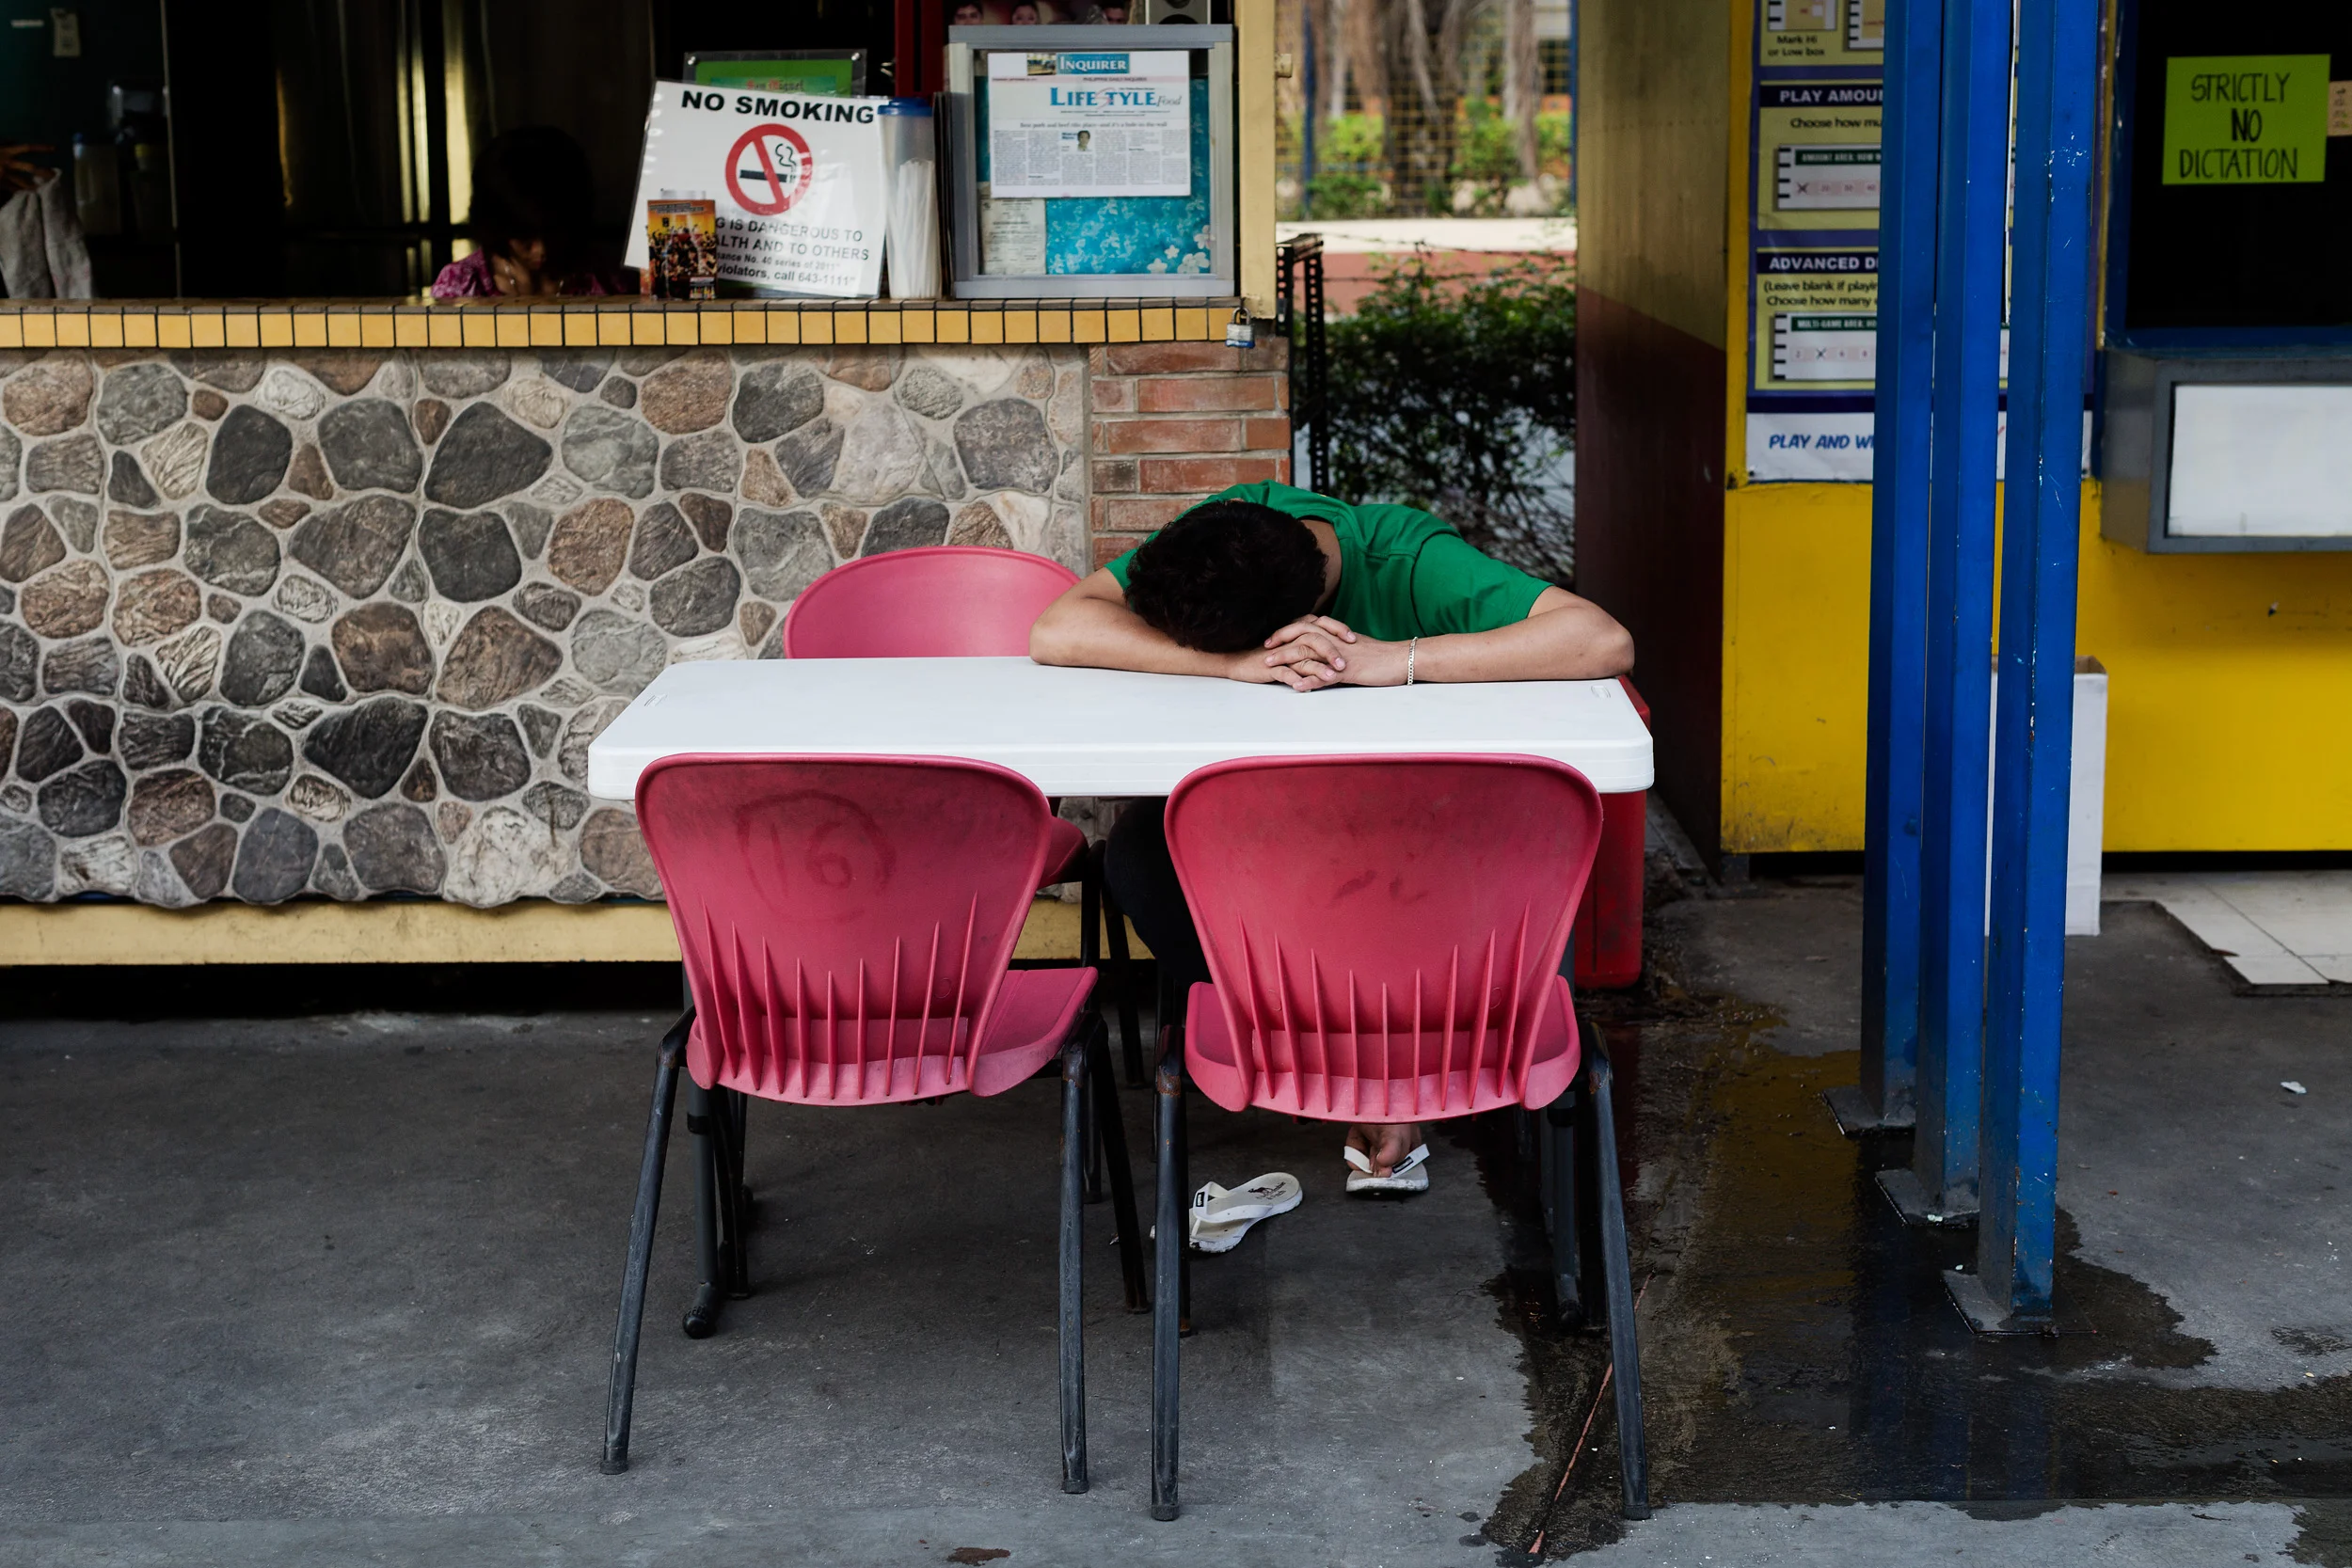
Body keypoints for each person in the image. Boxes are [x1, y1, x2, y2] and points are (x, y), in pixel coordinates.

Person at [1031, 482, 1634, 1194]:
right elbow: (1056, 630)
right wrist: (1229, 664)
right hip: (1276, 847)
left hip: (1423, 851)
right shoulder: (1221, 533)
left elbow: (1604, 640)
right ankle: (1319, 1057)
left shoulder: (1406, 557)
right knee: (1140, 853)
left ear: (1308, 618)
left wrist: (1400, 660)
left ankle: (1395, 1071)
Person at [432, 127, 615, 299]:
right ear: (497, 227)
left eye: (552, 233)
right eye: (524, 238)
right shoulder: (460, 286)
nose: (541, 250)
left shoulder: (603, 279)